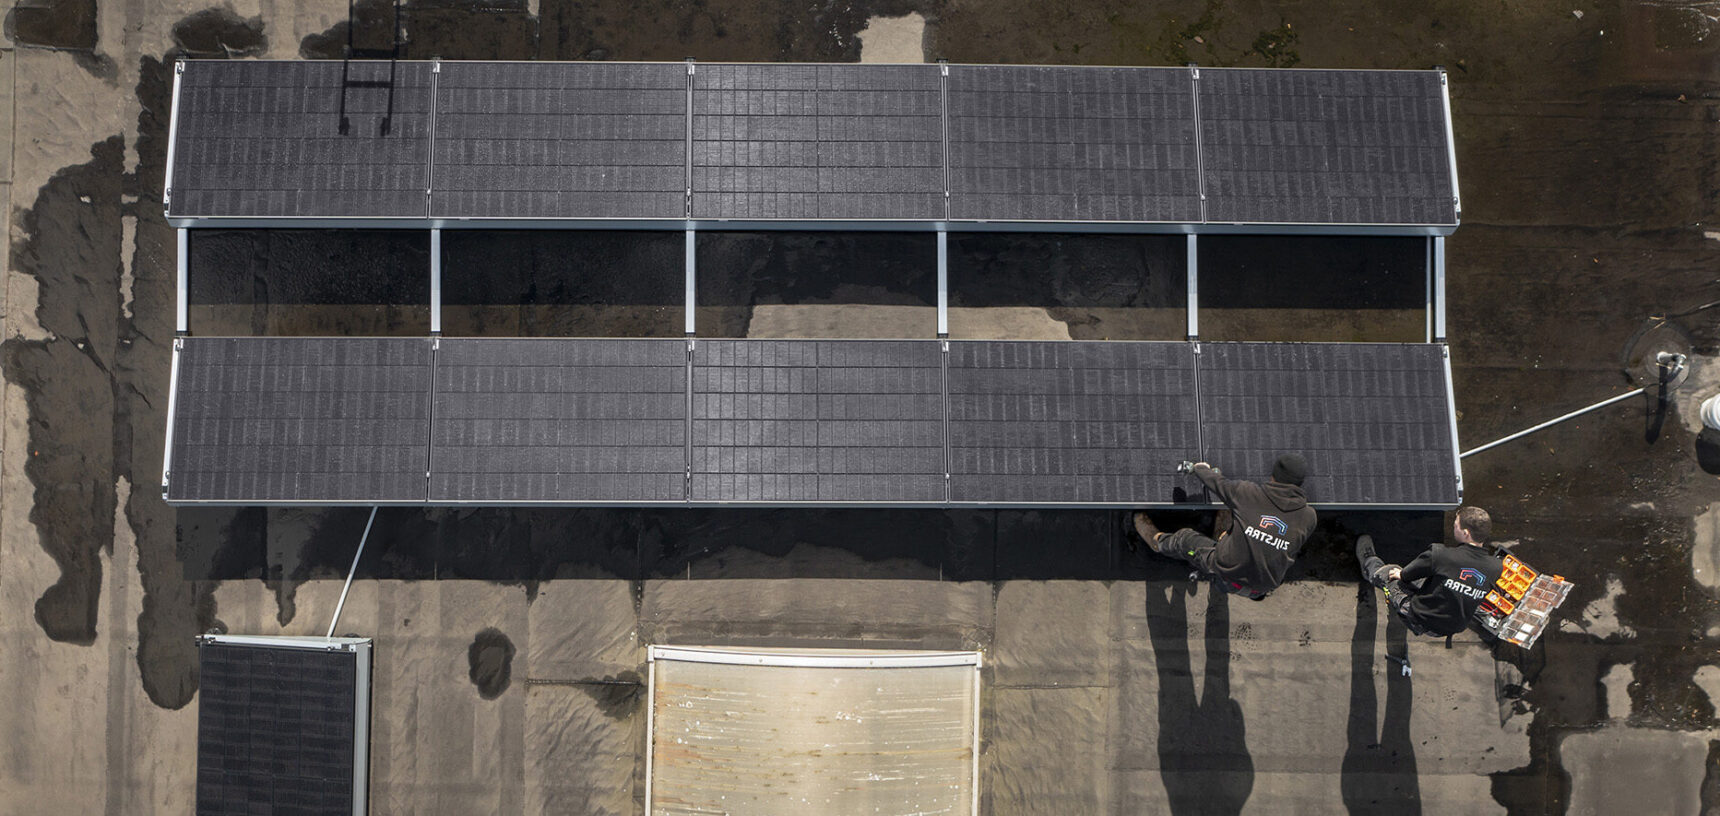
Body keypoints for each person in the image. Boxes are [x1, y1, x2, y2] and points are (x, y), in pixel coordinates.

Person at [1133, 453, 1317, 600]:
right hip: (1264, 584)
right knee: (1233, 520)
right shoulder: (1309, 517)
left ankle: (1158, 543)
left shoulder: (1248, 494)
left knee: (1185, 539)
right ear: (1300, 483)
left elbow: (1217, 483)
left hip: (1226, 568)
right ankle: (1226, 578)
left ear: (1274, 475)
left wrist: (1199, 469)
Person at [1354, 506, 1504, 637]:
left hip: (1421, 618)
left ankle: (1369, 566)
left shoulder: (1441, 555)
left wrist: (1400, 575)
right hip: (1448, 628)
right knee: (1430, 581)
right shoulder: (1496, 567)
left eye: (1456, 525)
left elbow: (1407, 574)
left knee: (1390, 572)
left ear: (1465, 533)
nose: (1454, 527)